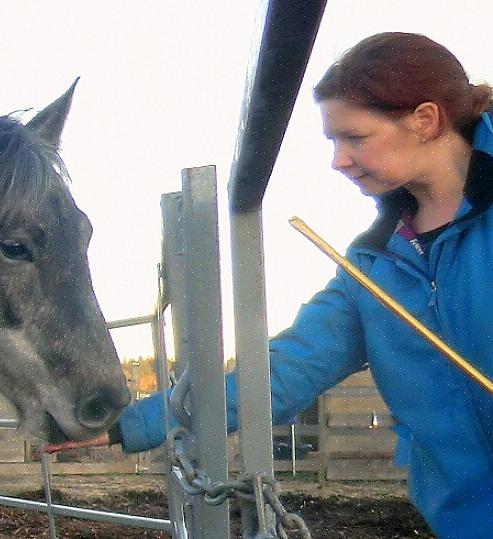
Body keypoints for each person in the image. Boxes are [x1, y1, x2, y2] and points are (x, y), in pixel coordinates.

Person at [46, 33, 493, 539]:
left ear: (426, 120)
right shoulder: (375, 266)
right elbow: (281, 374)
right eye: (333, 141)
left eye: (354, 138)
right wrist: (128, 425)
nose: (338, 160)